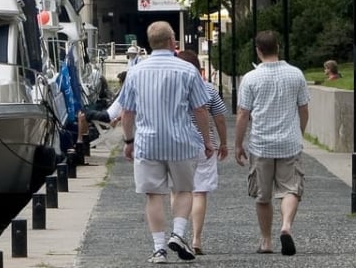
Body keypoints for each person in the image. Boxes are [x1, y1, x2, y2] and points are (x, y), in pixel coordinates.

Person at [116, 22, 218, 264]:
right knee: (184, 190)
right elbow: (201, 110)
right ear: (172, 41)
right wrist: (206, 141)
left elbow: (127, 113)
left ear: (149, 43)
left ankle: (159, 249)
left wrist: (129, 141)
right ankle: (179, 234)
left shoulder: (135, 72)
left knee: (153, 196)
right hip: (181, 141)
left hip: (147, 142)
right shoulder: (187, 70)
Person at [233, 31, 311, 256]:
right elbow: (303, 109)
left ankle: (266, 241)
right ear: (278, 47)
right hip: (289, 142)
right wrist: (299, 132)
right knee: (291, 189)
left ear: (258, 50)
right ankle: (286, 226)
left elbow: (243, 114)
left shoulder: (250, 78)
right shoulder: (296, 74)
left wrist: (238, 144)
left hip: (261, 144)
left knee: (262, 195)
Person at [175, 50, 230, 256]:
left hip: (178, 144)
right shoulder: (208, 89)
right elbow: (220, 118)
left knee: (179, 190)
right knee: (199, 192)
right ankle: (197, 238)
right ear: (199, 67)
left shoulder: (173, 89)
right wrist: (223, 143)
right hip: (203, 145)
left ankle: (179, 234)